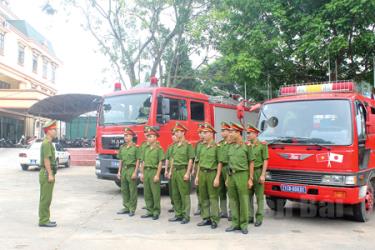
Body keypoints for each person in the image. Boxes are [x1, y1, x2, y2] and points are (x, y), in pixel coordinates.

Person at [225, 122, 251, 234]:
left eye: (232, 132)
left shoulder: (246, 147)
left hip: (242, 175)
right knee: (233, 200)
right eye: (229, 131)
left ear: (238, 133)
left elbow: (251, 163)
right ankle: (235, 223)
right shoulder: (230, 147)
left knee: (243, 200)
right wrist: (227, 178)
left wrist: (250, 178)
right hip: (231, 175)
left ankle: (244, 224)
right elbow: (228, 164)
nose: (230, 134)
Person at [194, 123, 221, 229]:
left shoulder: (217, 147)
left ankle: (214, 219)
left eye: (205, 133)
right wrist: (197, 176)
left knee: (213, 197)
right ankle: (206, 218)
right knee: (203, 197)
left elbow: (219, 163)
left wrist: (217, 177)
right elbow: (200, 162)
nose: (203, 135)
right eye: (203, 133)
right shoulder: (202, 147)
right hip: (202, 174)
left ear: (211, 134)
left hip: (212, 173)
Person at [168, 123, 195, 224]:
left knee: (184, 194)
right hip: (175, 170)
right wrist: (170, 171)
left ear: (183, 132)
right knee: (175, 193)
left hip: (183, 170)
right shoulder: (174, 146)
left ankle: (186, 215)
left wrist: (188, 173)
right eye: (175, 131)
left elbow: (190, 160)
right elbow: (173, 159)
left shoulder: (188, 145)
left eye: (178, 131)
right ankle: (178, 214)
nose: (176, 133)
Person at [140, 126, 165, 220]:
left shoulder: (159, 149)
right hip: (146, 171)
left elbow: (160, 163)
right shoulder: (145, 148)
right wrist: (141, 173)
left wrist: (157, 175)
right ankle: (149, 210)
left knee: (155, 193)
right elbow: (142, 162)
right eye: (148, 136)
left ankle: (156, 211)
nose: (148, 138)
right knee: (147, 193)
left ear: (155, 138)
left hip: (154, 171)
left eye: (151, 136)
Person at [247, 124, 269, 227]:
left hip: (258, 171)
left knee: (259, 197)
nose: (248, 135)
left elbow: (265, 160)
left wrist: (263, 175)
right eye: (247, 133)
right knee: (248, 196)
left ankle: (259, 217)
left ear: (256, 134)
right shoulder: (247, 145)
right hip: (248, 172)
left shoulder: (262, 145)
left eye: (250, 133)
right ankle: (250, 217)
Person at [116, 127, 140, 217]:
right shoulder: (122, 147)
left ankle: (132, 208)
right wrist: (119, 171)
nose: (125, 137)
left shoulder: (136, 148)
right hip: (124, 170)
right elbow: (121, 160)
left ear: (132, 137)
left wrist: (135, 172)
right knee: (124, 189)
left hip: (131, 169)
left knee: (132, 190)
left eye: (127, 135)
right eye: (124, 136)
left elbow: (138, 160)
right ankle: (126, 207)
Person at [38, 120, 58, 227]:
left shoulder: (49, 143)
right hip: (46, 173)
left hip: (47, 173)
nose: (55, 131)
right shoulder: (46, 143)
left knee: (47, 198)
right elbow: (46, 160)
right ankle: (43, 220)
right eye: (54, 129)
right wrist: (50, 174)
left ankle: (46, 218)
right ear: (48, 131)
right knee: (45, 198)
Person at [217, 122, 231, 219]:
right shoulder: (220, 144)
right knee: (221, 191)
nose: (222, 132)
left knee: (230, 191)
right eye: (221, 131)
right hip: (220, 167)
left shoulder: (232, 144)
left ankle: (232, 211)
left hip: (229, 167)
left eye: (224, 130)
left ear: (229, 132)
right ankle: (223, 211)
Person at [192, 124, 205, 216]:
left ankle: (205, 208)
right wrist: (193, 168)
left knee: (204, 189)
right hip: (197, 166)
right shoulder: (198, 144)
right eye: (199, 132)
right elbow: (195, 157)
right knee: (198, 189)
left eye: (203, 132)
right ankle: (199, 206)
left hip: (204, 167)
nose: (200, 134)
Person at [165, 130, 178, 213]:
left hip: (175, 169)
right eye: (172, 134)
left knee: (177, 189)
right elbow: (167, 159)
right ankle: (174, 205)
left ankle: (178, 206)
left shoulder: (179, 147)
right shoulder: (170, 147)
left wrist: (170, 171)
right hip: (170, 170)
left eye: (175, 134)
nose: (173, 136)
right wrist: (166, 170)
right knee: (171, 189)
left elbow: (174, 160)